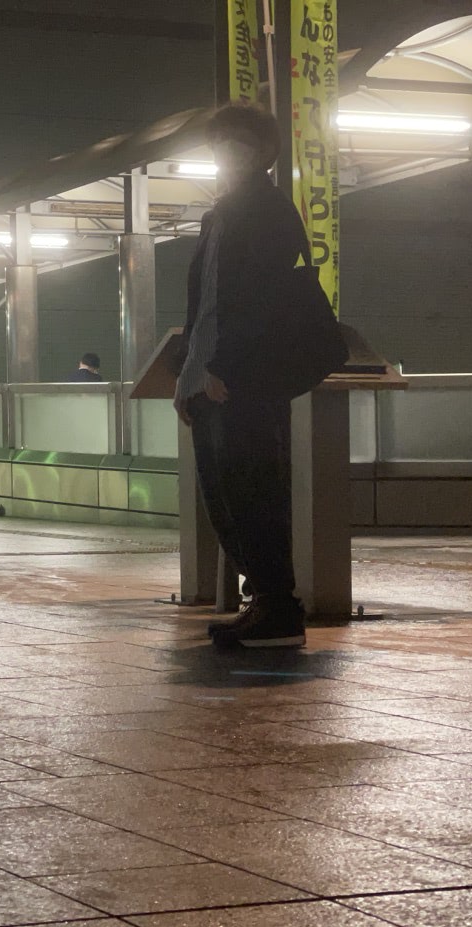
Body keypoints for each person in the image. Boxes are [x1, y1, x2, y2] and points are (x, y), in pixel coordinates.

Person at [173, 101, 310, 649]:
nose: (225, 153)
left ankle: (280, 609)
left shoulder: (268, 212)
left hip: (242, 380)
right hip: (209, 380)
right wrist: (188, 377)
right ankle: (267, 604)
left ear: (262, 152)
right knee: (225, 501)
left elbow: (261, 300)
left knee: (255, 496)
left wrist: (224, 367)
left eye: (236, 143)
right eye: (219, 143)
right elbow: (204, 306)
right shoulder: (220, 214)